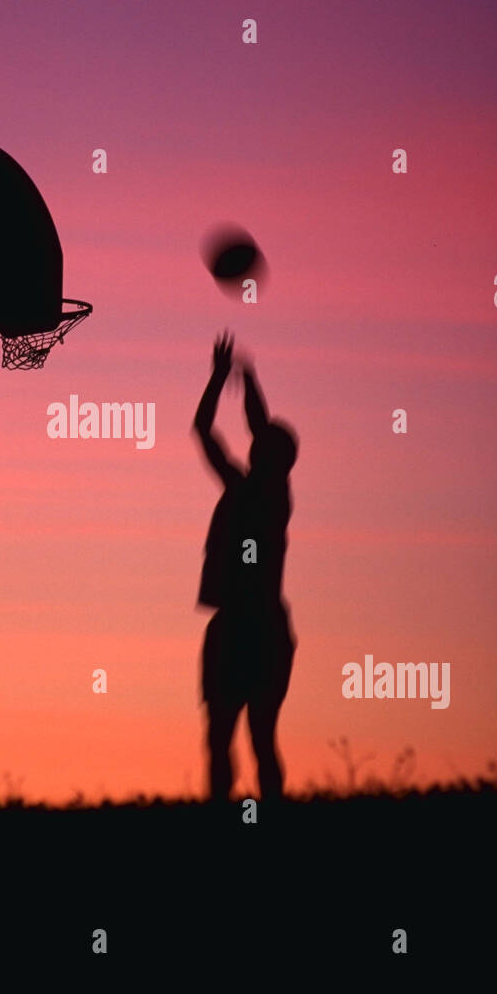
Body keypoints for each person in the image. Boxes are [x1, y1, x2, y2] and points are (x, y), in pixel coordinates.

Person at [193, 333, 298, 800]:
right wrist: (230, 377)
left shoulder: (269, 495)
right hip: (248, 625)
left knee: (246, 735)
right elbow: (205, 430)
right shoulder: (246, 489)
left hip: (250, 626)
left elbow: (241, 427)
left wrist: (236, 379)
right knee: (234, 735)